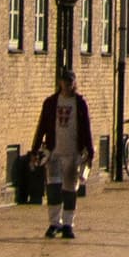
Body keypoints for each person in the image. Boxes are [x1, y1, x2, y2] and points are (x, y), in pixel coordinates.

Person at [29, 67, 94, 239]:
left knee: (70, 190)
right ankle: (54, 223)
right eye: (65, 82)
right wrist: (35, 149)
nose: (67, 86)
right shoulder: (51, 103)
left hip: (73, 153)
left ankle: (68, 224)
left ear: (74, 84)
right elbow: (42, 126)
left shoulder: (80, 103)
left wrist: (90, 151)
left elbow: (86, 127)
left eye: (70, 82)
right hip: (54, 152)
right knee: (53, 187)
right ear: (60, 83)